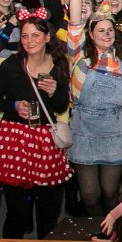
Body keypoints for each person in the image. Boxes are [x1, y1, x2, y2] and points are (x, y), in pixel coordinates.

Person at [67, 0, 122, 216]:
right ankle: (95, 232)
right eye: (101, 30)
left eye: (110, 30)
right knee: (90, 195)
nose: (107, 34)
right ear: (90, 33)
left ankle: (115, 232)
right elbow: (74, 23)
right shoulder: (79, 56)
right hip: (84, 129)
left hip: (115, 129)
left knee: (111, 193)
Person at [0, 12, 73, 239]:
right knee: (18, 213)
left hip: (46, 142)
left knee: (49, 211)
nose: (29, 41)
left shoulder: (59, 65)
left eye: (35, 35)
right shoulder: (11, 66)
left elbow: (61, 106)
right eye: (25, 36)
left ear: (47, 37)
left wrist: (53, 92)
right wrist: (14, 105)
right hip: (16, 141)